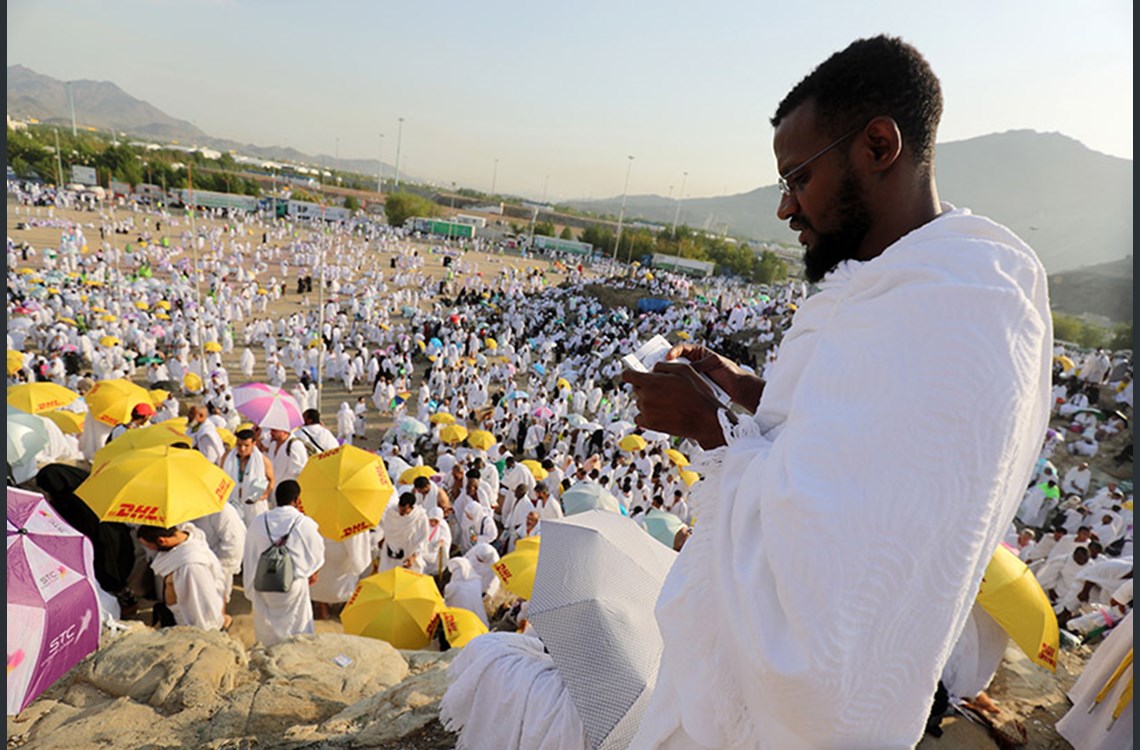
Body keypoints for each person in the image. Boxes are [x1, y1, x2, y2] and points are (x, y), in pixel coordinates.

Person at [622, 36, 1052, 748]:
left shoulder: (967, 306)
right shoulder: (888, 280)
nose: (788, 208)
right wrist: (752, 394)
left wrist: (713, 431)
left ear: (878, 145)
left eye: (798, 178)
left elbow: (843, 568)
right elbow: (849, 436)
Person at [242, 479, 325, 647]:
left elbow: (249, 554)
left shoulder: (259, 522)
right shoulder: (304, 523)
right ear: (296, 500)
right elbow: (318, 554)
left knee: (267, 630)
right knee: (296, 629)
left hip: (263, 583)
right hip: (292, 585)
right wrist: (310, 571)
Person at [136, 523, 229, 631]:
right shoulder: (184, 543)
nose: (149, 549)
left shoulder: (190, 566)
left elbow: (200, 608)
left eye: (148, 546)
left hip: (188, 624)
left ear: (162, 541)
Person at [221, 428, 275, 527]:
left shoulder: (263, 461)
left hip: (254, 506)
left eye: (246, 446)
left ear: (254, 444)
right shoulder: (227, 458)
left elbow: (271, 480)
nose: (242, 449)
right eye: (239, 445)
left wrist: (265, 495)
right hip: (233, 502)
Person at [377, 491, 431, 573]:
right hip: (389, 552)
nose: (401, 512)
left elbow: (423, 538)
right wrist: (384, 539)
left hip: (408, 552)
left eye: (404, 510)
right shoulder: (391, 512)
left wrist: (414, 556)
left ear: (411, 507)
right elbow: (389, 529)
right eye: (400, 508)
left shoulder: (420, 517)